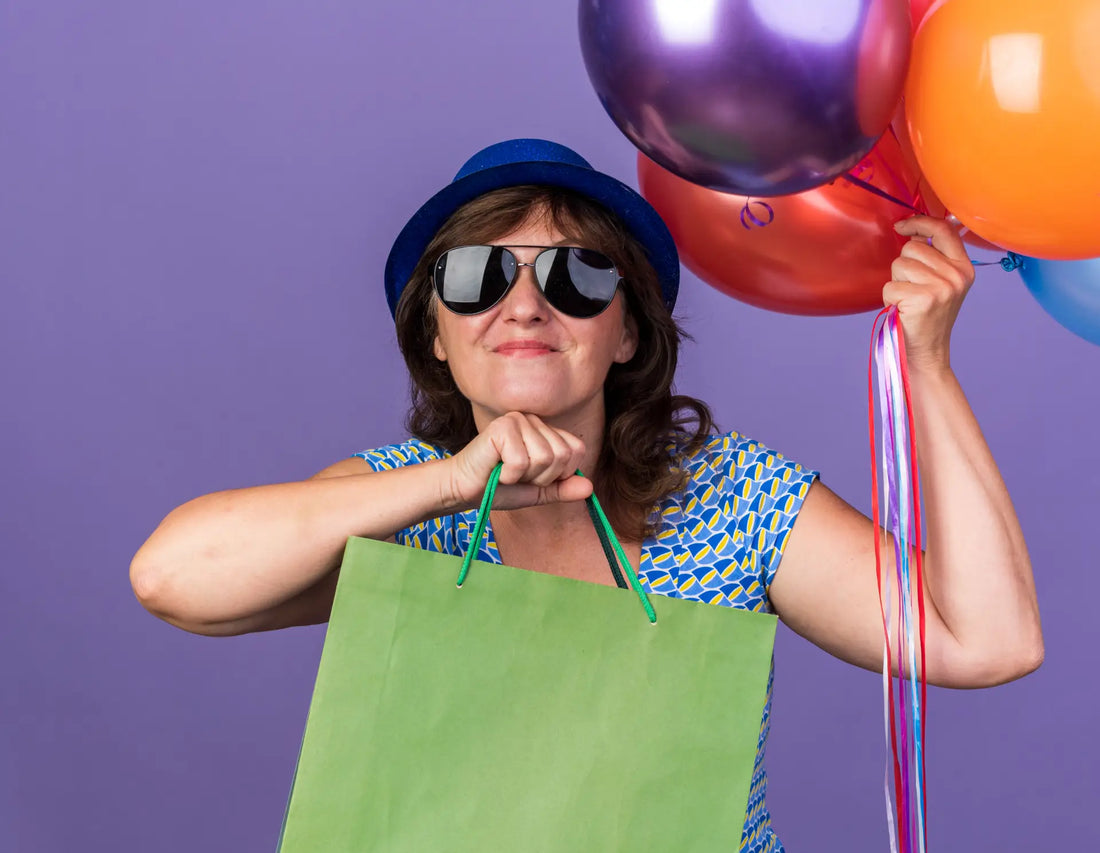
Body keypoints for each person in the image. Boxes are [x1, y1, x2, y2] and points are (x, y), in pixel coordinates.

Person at [129, 138, 1043, 852]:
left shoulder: (727, 497)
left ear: (629, 335)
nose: (523, 304)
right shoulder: (397, 512)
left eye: (576, 276)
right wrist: (448, 482)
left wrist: (924, 360)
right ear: (437, 337)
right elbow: (173, 577)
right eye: (477, 276)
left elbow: (988, 637)